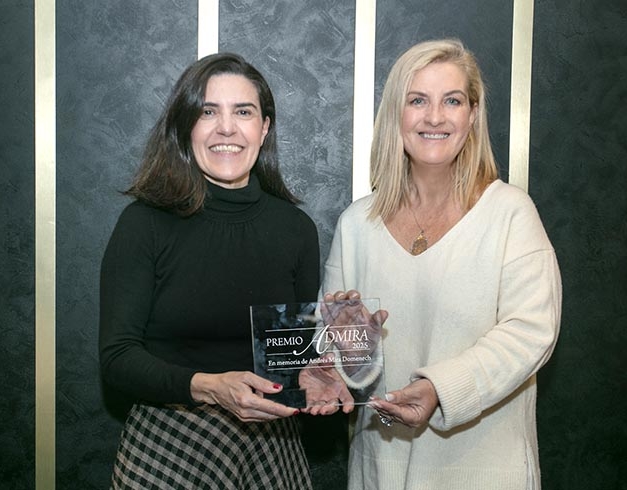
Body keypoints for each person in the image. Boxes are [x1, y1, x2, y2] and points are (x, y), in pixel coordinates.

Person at [321, 39, 562, 489]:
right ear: (397, 114)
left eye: (451, 100)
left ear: (472, 116)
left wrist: (439, 389)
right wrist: (350, 351)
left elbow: (531, 333)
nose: (434, 117)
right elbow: (344, 363)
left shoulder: (511, 213)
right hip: (382, 471)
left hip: (483, 472)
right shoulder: (356, 225)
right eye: (418, 101)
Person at [99, 52, 321, 490]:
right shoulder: (145, 224)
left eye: (243, 111)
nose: (226, 128)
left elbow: (295, 359)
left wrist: (332, 364)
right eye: (207, 112)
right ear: (187, 128)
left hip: (274, 450)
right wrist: (208, 387)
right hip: (168, 445)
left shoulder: (296, 230)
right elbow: (117, 358)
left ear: (265, 127)